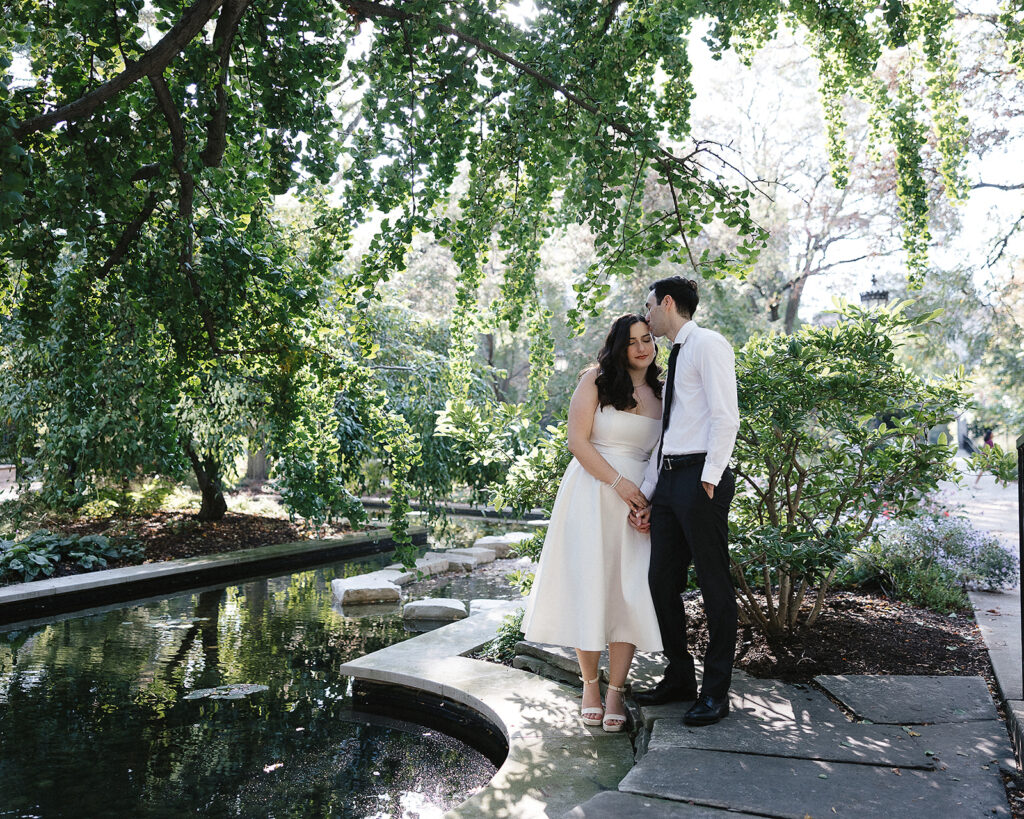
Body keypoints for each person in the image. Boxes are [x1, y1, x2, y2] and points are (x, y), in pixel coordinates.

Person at [522, 314, 664, 733]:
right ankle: (589, 685)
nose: (642, 348)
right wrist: (618, 483)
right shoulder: (596, 381)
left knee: (628, 590)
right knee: (591, 586)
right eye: (633, 341)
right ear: (619, 347)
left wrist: (648, 502)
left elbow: (662, 455)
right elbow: (576, 441)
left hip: (637, 503)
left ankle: (617, 689)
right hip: (591, 492)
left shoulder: (663, 390)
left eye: (648, 340)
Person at [629, 276, 740, 727]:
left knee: (714, 586)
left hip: (700, 481)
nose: (647, 313)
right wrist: (652, 495)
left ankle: (716, 692)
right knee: (660, 581)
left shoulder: (708, 344)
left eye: (649, 305)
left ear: (668, 303)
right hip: (672, 483)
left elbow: (725, 416)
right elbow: (670, 433)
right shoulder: (676, 354)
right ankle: (680, 677)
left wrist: (710, 478)